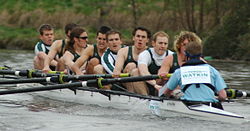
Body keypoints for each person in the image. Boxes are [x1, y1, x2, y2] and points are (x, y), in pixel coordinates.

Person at [163, 41, 227, 109]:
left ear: (186, 54)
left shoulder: (179, 72)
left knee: (176, 93)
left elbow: (166, 93)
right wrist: (216, 98)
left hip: (188, 106)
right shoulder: (212, 70)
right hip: (210, 106)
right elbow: (223, 96)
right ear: (200, 54)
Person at [113, 27, 151, 95]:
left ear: (147, 40)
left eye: (143, 37)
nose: (140, 39)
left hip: (146, 82)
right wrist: (117, 72)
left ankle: (145, 97)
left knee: (136, 72)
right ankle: (132, 94)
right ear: (133, 38)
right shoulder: (123, 51)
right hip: (126, 81)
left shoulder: (151, 52)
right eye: (138, 36)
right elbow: (117, 70)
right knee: (131, 66)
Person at [138, 31, 173, 96]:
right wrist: (155, 84)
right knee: (135, 72)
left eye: (165, 44)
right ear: (153, 43)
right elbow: (144, 72)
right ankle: (145, 97)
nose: (163, 46)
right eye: (160, 43)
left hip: (164, 86)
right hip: (148, 85)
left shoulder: (171, 55)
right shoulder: (145, 54)